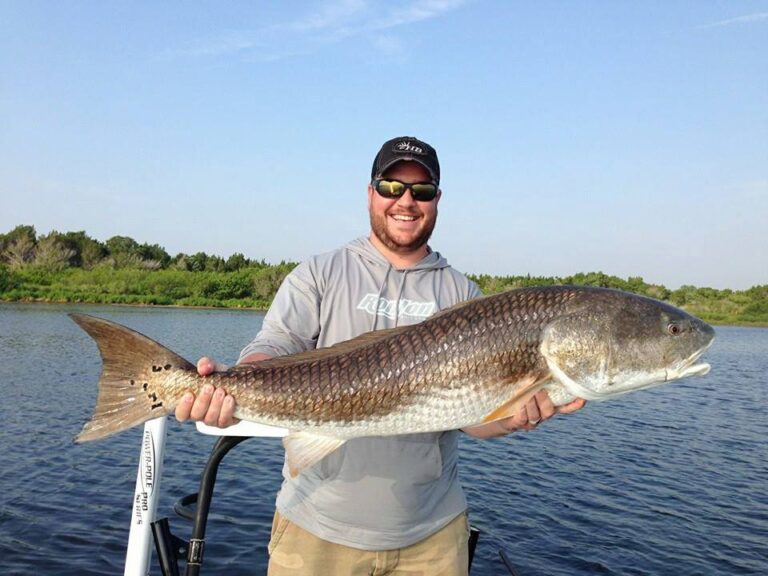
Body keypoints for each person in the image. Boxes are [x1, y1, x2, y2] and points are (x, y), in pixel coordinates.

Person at [176, 136, 585, 575]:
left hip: (431, 537)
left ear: (437, 200)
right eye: (392, 187)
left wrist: (513, 417)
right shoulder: (320, 272)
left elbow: (472, 415)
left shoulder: (464, 296)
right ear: (371, 193)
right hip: (315, 530)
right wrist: (228, 389)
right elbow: (274, 345)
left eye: (421, 190)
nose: (406, 201)